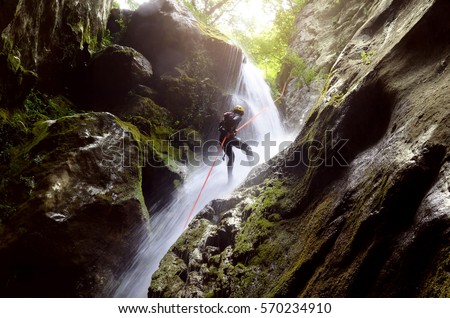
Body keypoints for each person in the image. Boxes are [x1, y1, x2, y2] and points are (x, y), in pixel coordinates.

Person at [218, 105, 253, 182]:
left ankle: (230, 178)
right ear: (241, 112)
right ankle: (252, 169)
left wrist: (231, 131)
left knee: (231, 157)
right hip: (229, 138)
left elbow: (220, 127)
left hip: (222, 139)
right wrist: (230, 132)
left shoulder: (226, 117)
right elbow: (232, 121)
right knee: (248, 149)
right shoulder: (238, 116)